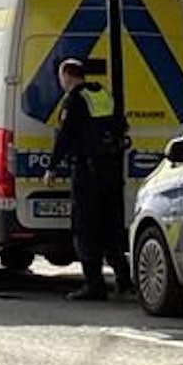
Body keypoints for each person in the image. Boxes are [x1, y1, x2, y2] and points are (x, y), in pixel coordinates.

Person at [42, 58, 132, 301]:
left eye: (61, 78)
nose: (61, 83)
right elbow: (121, 126)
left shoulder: (74, 100)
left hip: (87, 173)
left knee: (85, 229)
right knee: (111, 226)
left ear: (67, 76)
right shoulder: (103, 95)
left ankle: (94, 285)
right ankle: (124, 280)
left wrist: (52, 167)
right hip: (111, 172)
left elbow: (64, 136)